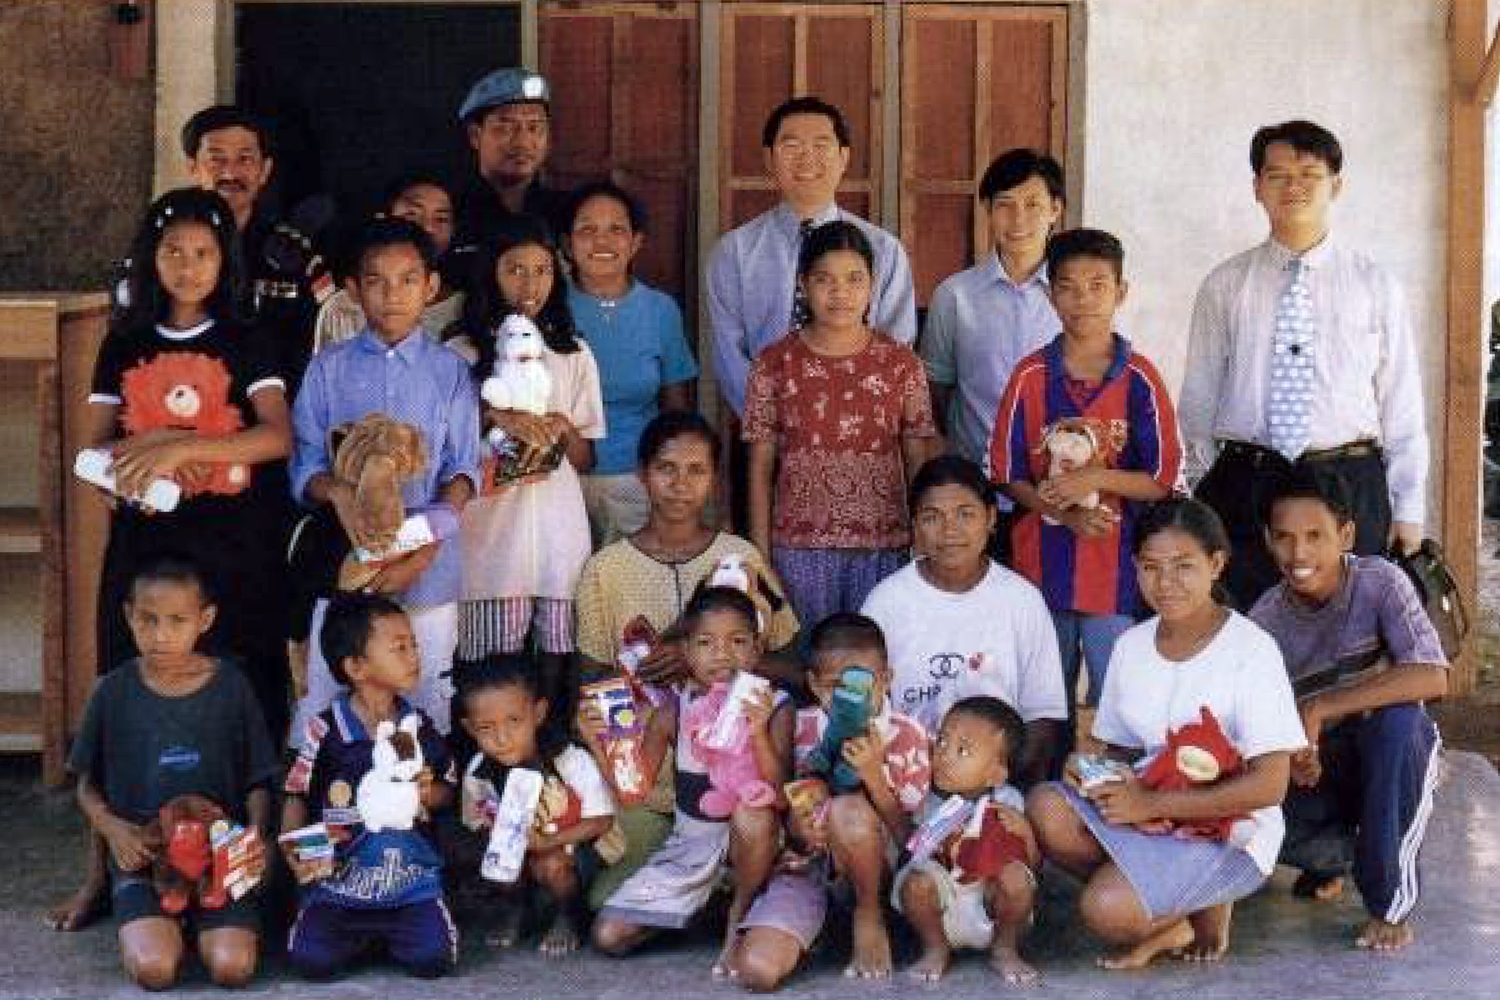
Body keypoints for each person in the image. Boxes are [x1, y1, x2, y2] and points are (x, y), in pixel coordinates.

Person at [1027, 499, 1306, 970]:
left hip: (1229, 833)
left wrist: (1152, 804)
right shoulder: (1131, 645)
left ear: (1216, 564)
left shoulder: (1251, 650)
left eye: (1183, 567)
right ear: (1135, 569)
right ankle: (1178, 911)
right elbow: (1121, 749)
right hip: (1150, 817)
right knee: (1046, 807)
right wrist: (1091, 770)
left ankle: (1186, 905)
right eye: (1152, 567)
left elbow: (1270, 785)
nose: (1166, 583)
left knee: (1106, 911)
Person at [1180, 120, 1429, 610]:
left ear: (1336, 185)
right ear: (1257, 188)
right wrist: (1198, 493)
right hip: (1246, 482)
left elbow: (1401, 400)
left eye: (1309, 173)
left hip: (1348, 480)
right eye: (1277, 175)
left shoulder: (1374, 284)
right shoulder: (1225, 284)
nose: (1292, 186)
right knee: (1249, 626)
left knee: (1349, 635)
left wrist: (1409, 508)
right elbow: (1199, 399)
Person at [573, 411, 800, 907]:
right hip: (649, 783)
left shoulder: (740, 559)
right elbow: (589, 682)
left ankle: (731, 884)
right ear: (642, 474)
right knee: (603, 907)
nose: (680, 485)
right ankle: (700, 888)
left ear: (715, 479)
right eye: (666, 469)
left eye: (697, 470)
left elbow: (793, 667)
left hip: (739, 786)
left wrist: (703, 660)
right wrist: (636, 679)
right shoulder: (605, 570)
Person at [288, 217, 480, 741]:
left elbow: (463, 469)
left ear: (432, 288)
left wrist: (426, 545)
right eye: (376, 280)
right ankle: (321, 806)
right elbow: (304, 465)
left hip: (429, 571)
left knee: (424, 699)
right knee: (328, 698)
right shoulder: (328, 368)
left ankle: (417, 807)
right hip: (348, 561)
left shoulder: (450, 372)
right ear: (353, 289)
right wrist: (341, 494)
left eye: (408, 279)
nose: (392, 295)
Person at [991, 228, 1181, 749]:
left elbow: (1161, 478)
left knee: (1115, 701)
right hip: (1041, 570)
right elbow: (1008, 472)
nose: (1083, 299)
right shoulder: (1029, 376)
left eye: (1098, 285)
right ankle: (1044, 803)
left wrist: (1094, 478)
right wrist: (1066, 513)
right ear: (1050, 295)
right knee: (1044, 702)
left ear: (1121, 292)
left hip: (1115, 574)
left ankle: (1112, 810)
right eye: (1069, 287)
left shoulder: (1140, 378)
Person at [1250, 466, 1447, 951]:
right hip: (1322, 764)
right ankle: (1330, 859)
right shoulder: (1263, 620)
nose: (1299, 553)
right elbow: (1258, 722)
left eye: (1315, 536)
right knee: (1254, 807)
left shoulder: (1380, 581)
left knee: (1399, 724)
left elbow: (1432, 675)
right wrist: (1298, 750)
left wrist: (1319, 708)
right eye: (1285, 538)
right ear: (1267, 541)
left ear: (1346, 534)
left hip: (1387, 748)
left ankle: (1388, 903)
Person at [68, 555, 277, 989]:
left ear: (205, 619)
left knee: (232, 968)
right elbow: (87, 782)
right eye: (148, 620)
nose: (160, 635)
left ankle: (205, 919)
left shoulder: (232, 686)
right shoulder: (112, 690)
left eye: (177, 620)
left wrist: (254, 839)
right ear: (128, 616)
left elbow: (259, 780)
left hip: (221, 855)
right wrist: (112, 830)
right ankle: (160, 920)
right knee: (154, 970)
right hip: (146, 857)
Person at [744, 220, 938, 628]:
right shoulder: (774, 363)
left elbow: (918, 458)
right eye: (824, 279)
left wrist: (922, 540)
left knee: (870, 666)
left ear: (873, 285)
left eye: (854, 279)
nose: (840, 293)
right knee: (808, 665)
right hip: (799, 549)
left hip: (884, 546)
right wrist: (762, 554)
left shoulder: (901, 364)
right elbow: (760, 466)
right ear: (802, 284)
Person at [592, 587, 793, 978]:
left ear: (756, 649)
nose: (722, 654)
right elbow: (633, 791)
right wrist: (600, 742)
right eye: (705, 642)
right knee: (609, 936)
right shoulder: (672, 709)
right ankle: (702, 908)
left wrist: (757, 732)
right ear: (685, 651)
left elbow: (780, 795)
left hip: (755, 846)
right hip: (692, 848)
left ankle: (741, 908)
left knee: (754, 813)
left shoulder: (775, 705)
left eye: (738, 641)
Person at [449, 214, 604, 715]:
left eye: (542, 270)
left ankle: (552, 742)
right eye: (515, 269)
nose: (530, 283)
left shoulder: (573, 353)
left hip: (560, 532)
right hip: (492, 531)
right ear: (491, 274)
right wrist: (499, 415)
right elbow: (449, 443)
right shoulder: (462, 352)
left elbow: (586, 457)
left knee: (556, 661)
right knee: (493, 662)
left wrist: (560, 426)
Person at [731, 614, 930, 989]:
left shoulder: (908, 735)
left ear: (886, 679)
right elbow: (783, 815)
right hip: (809, 867)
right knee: (757, 970)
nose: (846, 698)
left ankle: (868, 913)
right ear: (812, 684)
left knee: (848, 809)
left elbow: (911, 841)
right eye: (834, 686)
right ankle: (815, 925)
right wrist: (798, 826)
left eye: (860, 685)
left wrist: (874, 776)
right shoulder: (800, 727)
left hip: (880, 870)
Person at [282, 594, 458, 980]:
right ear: (357, 666)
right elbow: (296, 792)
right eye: (399, 647)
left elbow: (449, 792)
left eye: (413, 644)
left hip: (410, 887)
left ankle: (385, 937)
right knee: (311, 961)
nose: (413, 655)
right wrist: (294, 847)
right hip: (339, 888)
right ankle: (364, 938)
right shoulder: (326, 730)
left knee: (433, 959)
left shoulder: (420, 727)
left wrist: (428, 793)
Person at [706, 95, 916, 419]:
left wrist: (843, 419)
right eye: (791, 146)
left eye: (821, 145)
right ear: (768, 158)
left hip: (861, 432)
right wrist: (772, 421)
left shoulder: (884, 250)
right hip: (764, 437)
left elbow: (895, 348)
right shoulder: (733, 253)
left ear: (844, 157)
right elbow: (728, 356)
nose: (807, 157)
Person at [862, 456, 1067, 782]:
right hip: (905, 783)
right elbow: (867, 712)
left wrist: (1000, 789)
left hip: (994, 785)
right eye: (932, 517)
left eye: (965, 514)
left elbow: (1042, 718)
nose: (950, 530)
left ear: (991, 518)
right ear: (914, 526)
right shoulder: (885, 603)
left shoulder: (1022, 600)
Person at [920, 149, 1065, 561]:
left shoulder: (1074, 294)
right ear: (987, 210)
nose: (1019, 219)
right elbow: (939, 393)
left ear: (1055, 209)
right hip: (977, 498)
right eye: (1005, 205)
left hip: (1057, 497)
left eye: (1033, 205)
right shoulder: (955, 296)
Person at [564, 180, 698, 546]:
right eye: (587, 230)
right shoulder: (549, 308)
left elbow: (675, 407)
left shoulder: (660, 310)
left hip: (636, 482)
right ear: (567, 243)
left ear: (636, 242)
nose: (602, 242)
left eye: (616, 230)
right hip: (559, 481)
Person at [456, 655, 616, 955]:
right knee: (495, 861)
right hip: (522, 851)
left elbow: (602, 821)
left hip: (574, 849)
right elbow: (476, 820)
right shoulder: (479, 768)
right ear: (469, 728)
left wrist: (547, 841)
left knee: (552, 863)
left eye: (514, 721)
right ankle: (519, 908)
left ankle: (568, 914)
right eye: (486, 727)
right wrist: (498, 839)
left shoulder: (567, 758)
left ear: (538, 713)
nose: (502, 738)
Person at [180, 104, 329, 389]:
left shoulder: (294, 254)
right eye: (217, 160)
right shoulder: (165, 251)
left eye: (244, 160)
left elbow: (327, 339)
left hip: (280, 413)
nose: (230, 173)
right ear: (193, 168)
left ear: (265, 170)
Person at [894, 696, 1041, 985]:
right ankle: (935, 948)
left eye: (962, 751)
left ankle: (1005, 948)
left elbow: (1031, 867)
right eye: (942, 742)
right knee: (916, 882)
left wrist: (1025, 833)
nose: (944, 756)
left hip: (990, 909)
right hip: (943, 909)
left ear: (996, 773)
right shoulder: (926, 800)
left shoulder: (1007, 800)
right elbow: (909, 852)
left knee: (1016, 878)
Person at [314, 173, 467, 352]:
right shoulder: (342, 309)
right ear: (384, 219)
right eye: (412, 214)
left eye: (441, 219)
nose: (427, 228)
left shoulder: (466, 309)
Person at [454, 67, 571, 251]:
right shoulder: (450, 213)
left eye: (534, 128)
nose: (522, 142)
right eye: (506, 128)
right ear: (475, 136)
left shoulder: (566, 214)